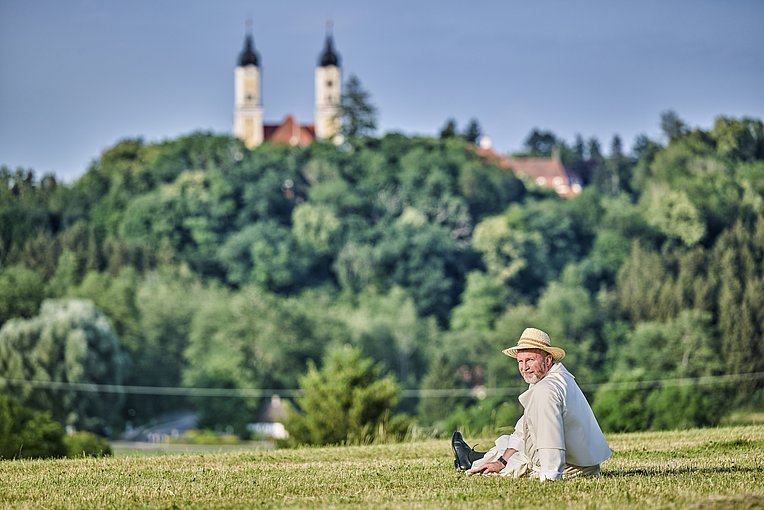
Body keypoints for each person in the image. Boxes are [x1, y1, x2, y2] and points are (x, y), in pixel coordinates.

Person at [451, 327, 611, 481]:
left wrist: (550, 476)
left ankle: (470, 460)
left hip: (569, 468)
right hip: (585, 464)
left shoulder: (546, 389)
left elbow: (551, 437)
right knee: (509, 443)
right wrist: (501, 462)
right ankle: (475, 458)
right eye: (520, 361)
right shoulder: (555, 378)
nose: (524, 367)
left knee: (518, 462)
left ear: (548, 360)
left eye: (530, 360)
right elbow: (524, 428)